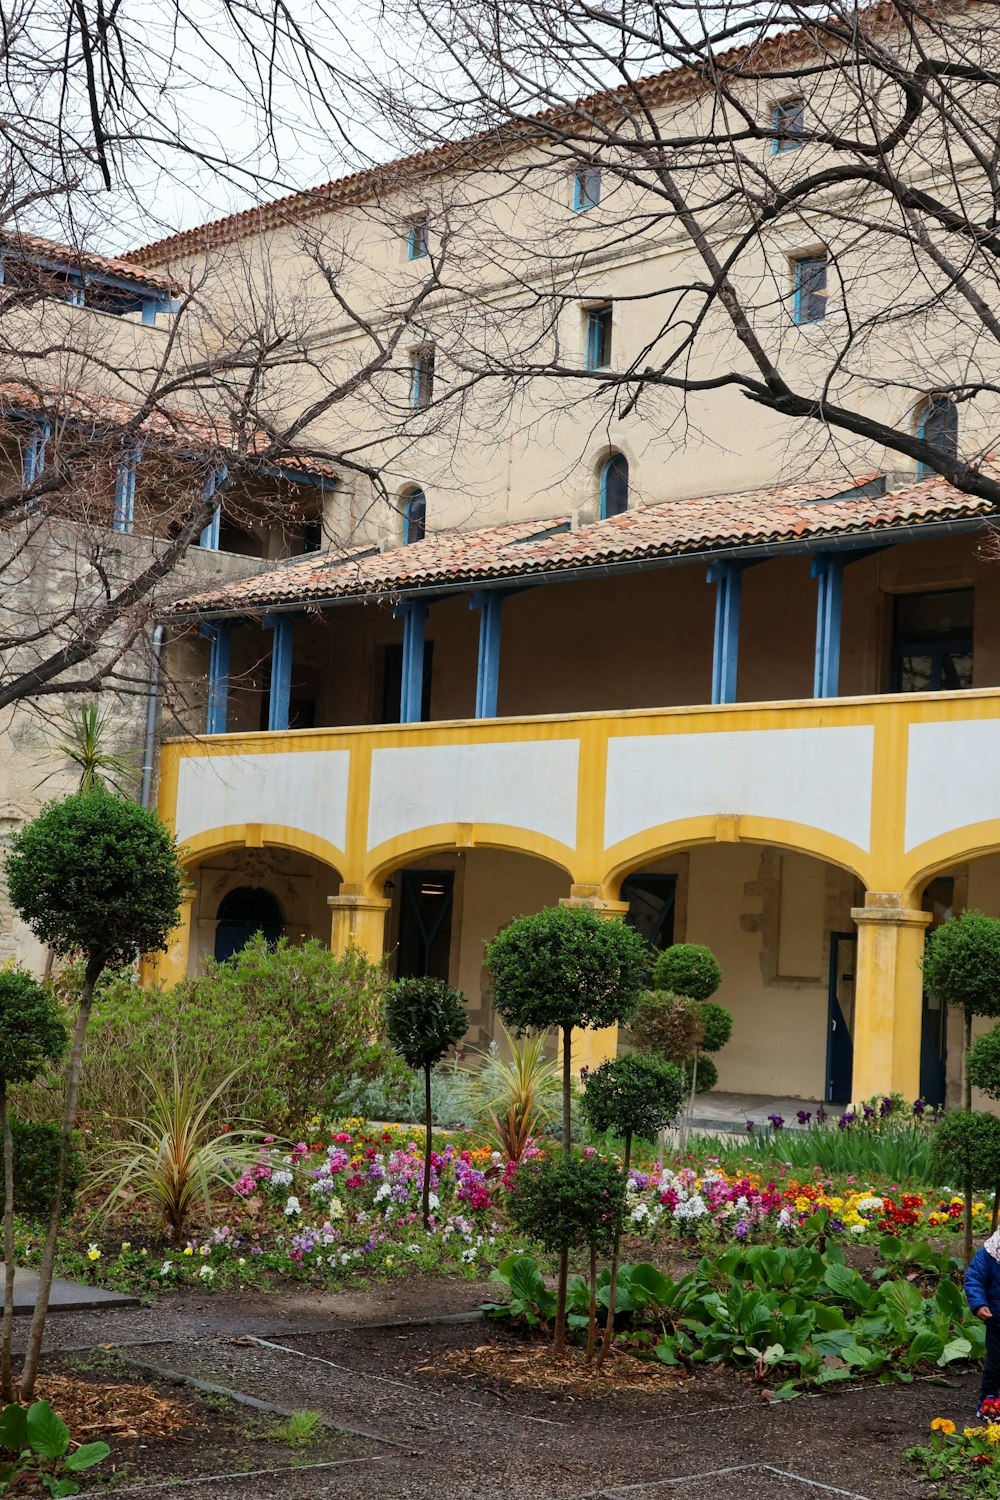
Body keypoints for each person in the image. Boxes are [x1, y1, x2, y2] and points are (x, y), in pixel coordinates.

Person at [964, 1227, 1000, 1417]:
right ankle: (988, 1404)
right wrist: (979, 1304)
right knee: (995, 1364)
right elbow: (974, 1279)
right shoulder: (989, 1254)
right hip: (997, 1322)